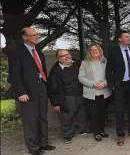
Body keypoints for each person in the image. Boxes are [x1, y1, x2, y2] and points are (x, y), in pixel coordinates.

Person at [8, 27, 56, 155]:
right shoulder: (16, 53)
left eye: (37, 34)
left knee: (42, 117)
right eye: (33, 35)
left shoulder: (39, 52)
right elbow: (14, 75)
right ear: (25, 37)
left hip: (42, 88)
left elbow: (42, 71)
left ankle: (43, 143)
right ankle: (34, 148)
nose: (37, 36)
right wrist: (20, 92)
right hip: (27, 91)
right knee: (30, 120)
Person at [106, 30, 130, 146]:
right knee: (119, 110)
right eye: (126, 37)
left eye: (129, 36)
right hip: (120, 85)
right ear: (120, 39)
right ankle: (120, 134)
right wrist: (112, 84)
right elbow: (109, 69)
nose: (128, 38)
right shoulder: (113, 52)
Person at [48, 49, 90, 144]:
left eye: (68, 54)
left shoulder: (78, 65)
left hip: (80, 95)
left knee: (82, 114)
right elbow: (52, 90)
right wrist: (55, 104)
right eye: (64, 56)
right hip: (66, 97)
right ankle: (67, 135)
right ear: (59, 59)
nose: (67, 56)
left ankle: (84, 129)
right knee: (65, 117)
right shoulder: (55, 72)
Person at [79, 44, 112, 142]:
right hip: (91, 93)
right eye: (92, 50)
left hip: (104, 91)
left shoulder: (105, 62)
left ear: (99, 50)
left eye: (96, 49)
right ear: (89, 52)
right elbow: (81, 78)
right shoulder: (85, 63)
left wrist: (104, 84)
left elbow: (110, 75)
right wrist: (93, 84)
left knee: (102, 113)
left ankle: (102, 131)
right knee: (93, 114)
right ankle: (96, 133)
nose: (94, 51)